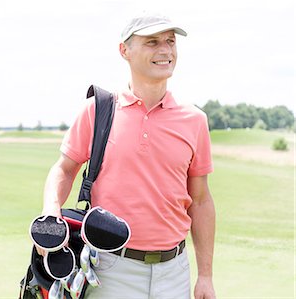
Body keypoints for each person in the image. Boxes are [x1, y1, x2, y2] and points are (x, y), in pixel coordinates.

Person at [38, 13, 216, 299]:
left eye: (170, 41)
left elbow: (201, 199)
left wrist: (205, 275)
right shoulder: (98, 110)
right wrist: (50, 212)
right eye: (152, 42)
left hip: (175, 272)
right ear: (125, 50)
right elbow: (64, 169)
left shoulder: (195, 120)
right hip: (109, 268)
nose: (165, 50)